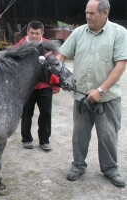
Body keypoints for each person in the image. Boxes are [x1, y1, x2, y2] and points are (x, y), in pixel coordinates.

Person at [56, 0, 127, 187]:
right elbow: (62, 55)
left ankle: (110, 169)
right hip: (82, 96)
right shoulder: (78, 33)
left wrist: (101, 90)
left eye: (92, 13)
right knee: (80, 134)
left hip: (107, 98)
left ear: (105, 13)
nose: (88, 16)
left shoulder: (119, 33)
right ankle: (78, 166)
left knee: (108, 134)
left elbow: (120, 66)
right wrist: (56, 72)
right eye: (86, 13)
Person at [14, 21, 60, 151]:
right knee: (27, 113)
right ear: (27, 32)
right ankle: (26, 139)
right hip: (27, 88)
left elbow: (55, 66)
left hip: (45, 86)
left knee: (46, 113)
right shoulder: (19, 47)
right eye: (32, 33)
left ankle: (44, 140)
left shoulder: (48, 46)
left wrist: (56, 85)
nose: (34, 36)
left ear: (42, 33)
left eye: (37, 34)